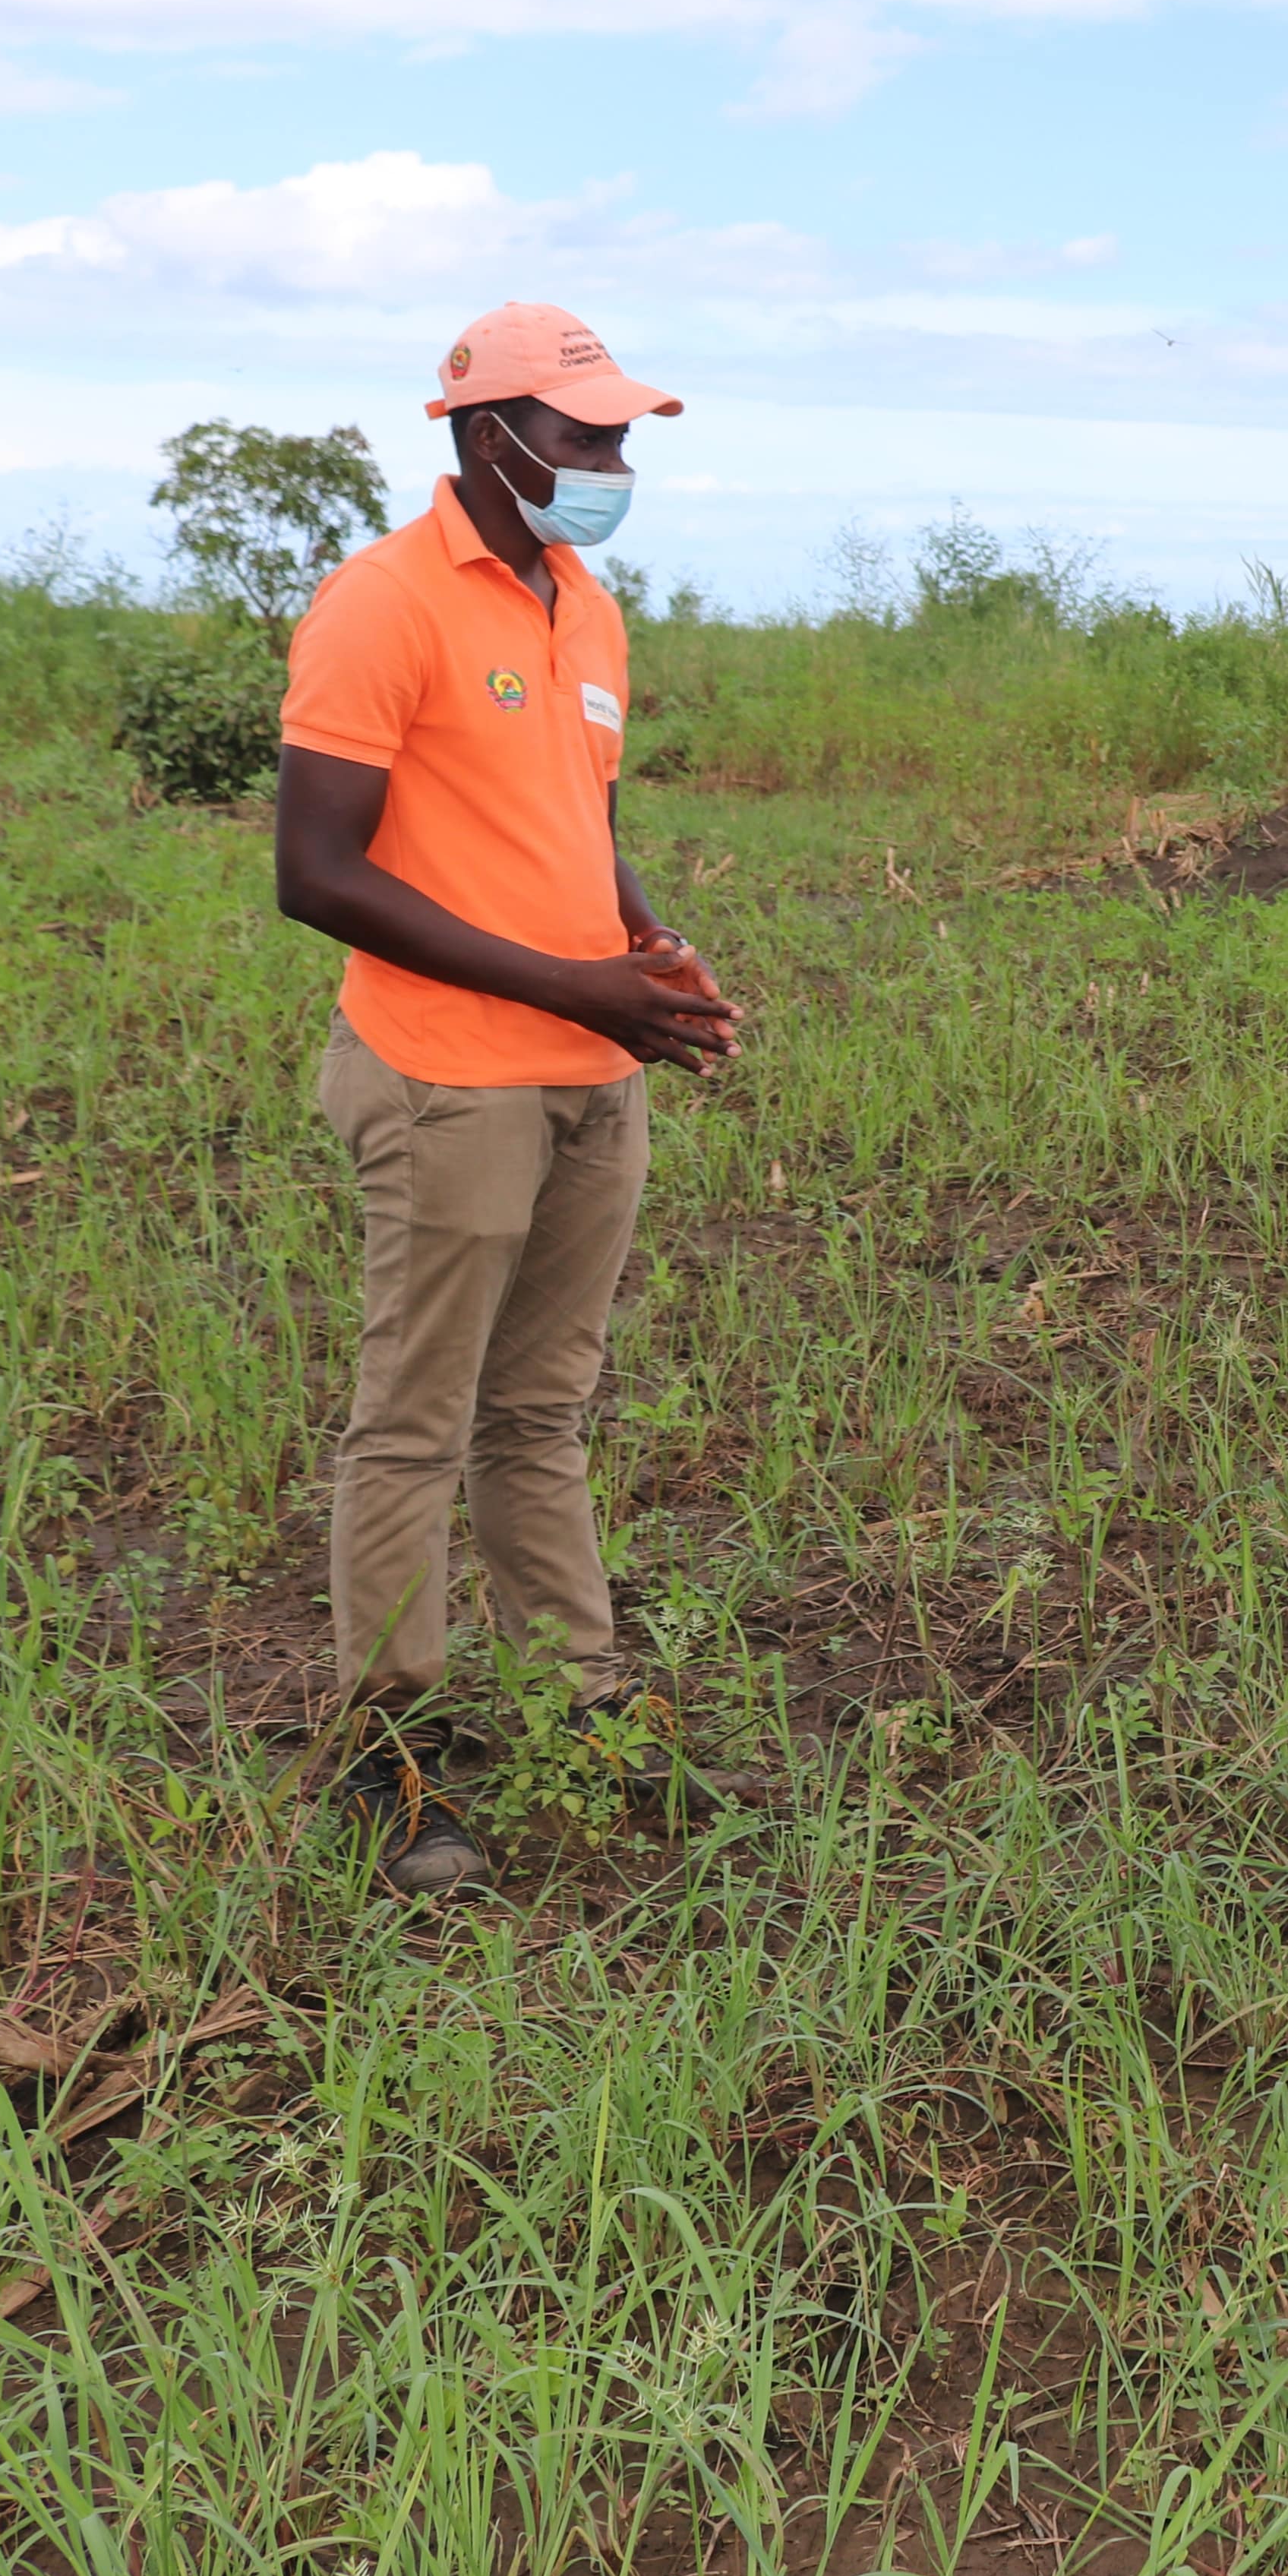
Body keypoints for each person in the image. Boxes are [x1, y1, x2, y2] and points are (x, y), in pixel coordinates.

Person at [273, 301, 745, 1893]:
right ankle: (380, 1754)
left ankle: (582, 1701)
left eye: (622, 438)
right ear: (491, 436)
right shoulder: (380, 605)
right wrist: (567, 985)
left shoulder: (583, 602)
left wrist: (646, 950)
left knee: (540, 1410)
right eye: (588, 437)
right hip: (446, 1078)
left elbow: (572, 814)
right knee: (413, 1423)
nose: (613, 463)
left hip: (589, 1073)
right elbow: (316, 872)